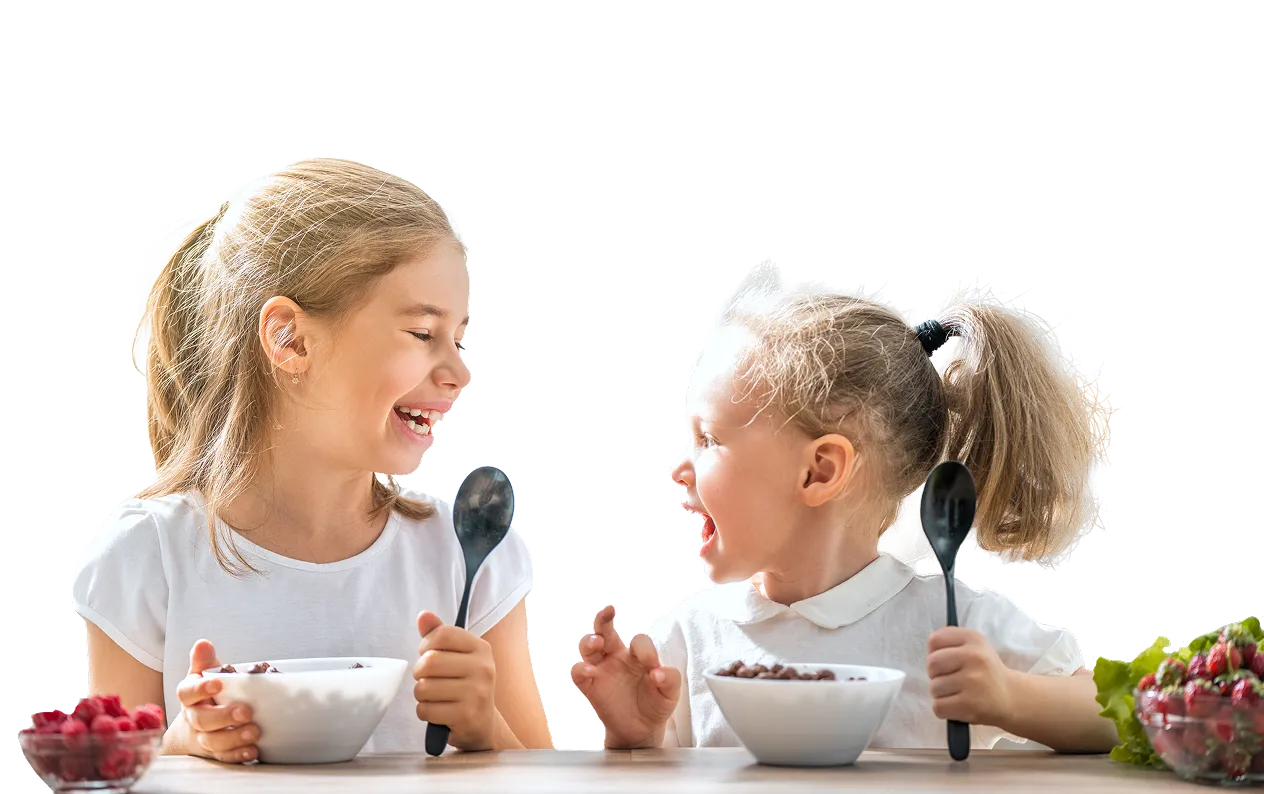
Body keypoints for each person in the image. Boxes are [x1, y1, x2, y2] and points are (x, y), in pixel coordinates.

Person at [73, 158, 554, 763]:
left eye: (458, 337)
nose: (458, 373)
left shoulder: (467, 553)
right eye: (422, 333)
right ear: (290, 340)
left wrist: (489, 734)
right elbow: (109, 777)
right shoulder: (150, 556)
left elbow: (544, 777)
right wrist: (183, 744)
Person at [571, 259, 1118, 753]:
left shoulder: (956, 624)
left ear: (820, 471)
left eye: (709, 439)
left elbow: (1116, 717)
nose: (677, 468)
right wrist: (637, 737)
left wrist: (1011, 698)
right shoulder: (685, 640)